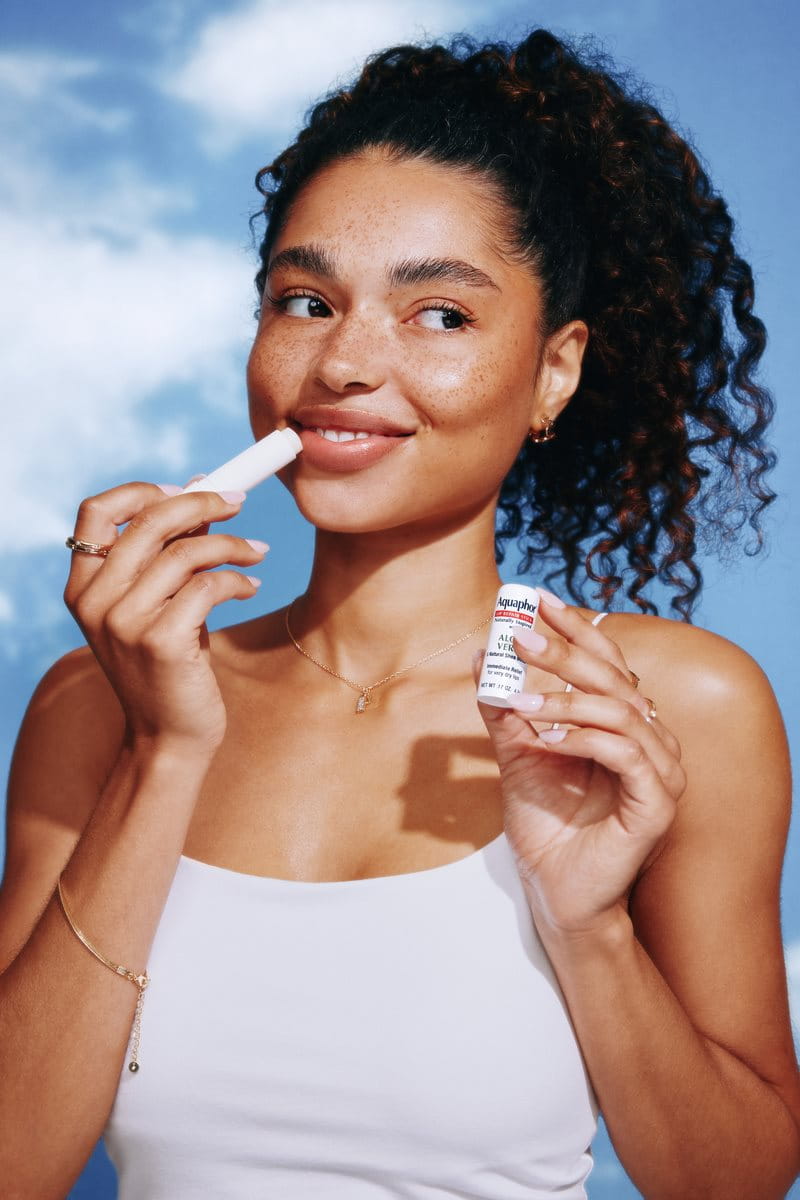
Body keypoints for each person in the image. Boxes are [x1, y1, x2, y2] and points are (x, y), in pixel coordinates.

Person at [1, 26, 799, 1200]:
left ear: (555, 370)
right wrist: (163, 752)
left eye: (439, 315)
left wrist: (590, 931)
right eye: (305, 300)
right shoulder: (100, 700)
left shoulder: (661, 705)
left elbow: (734, 1180)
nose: (341, 367)